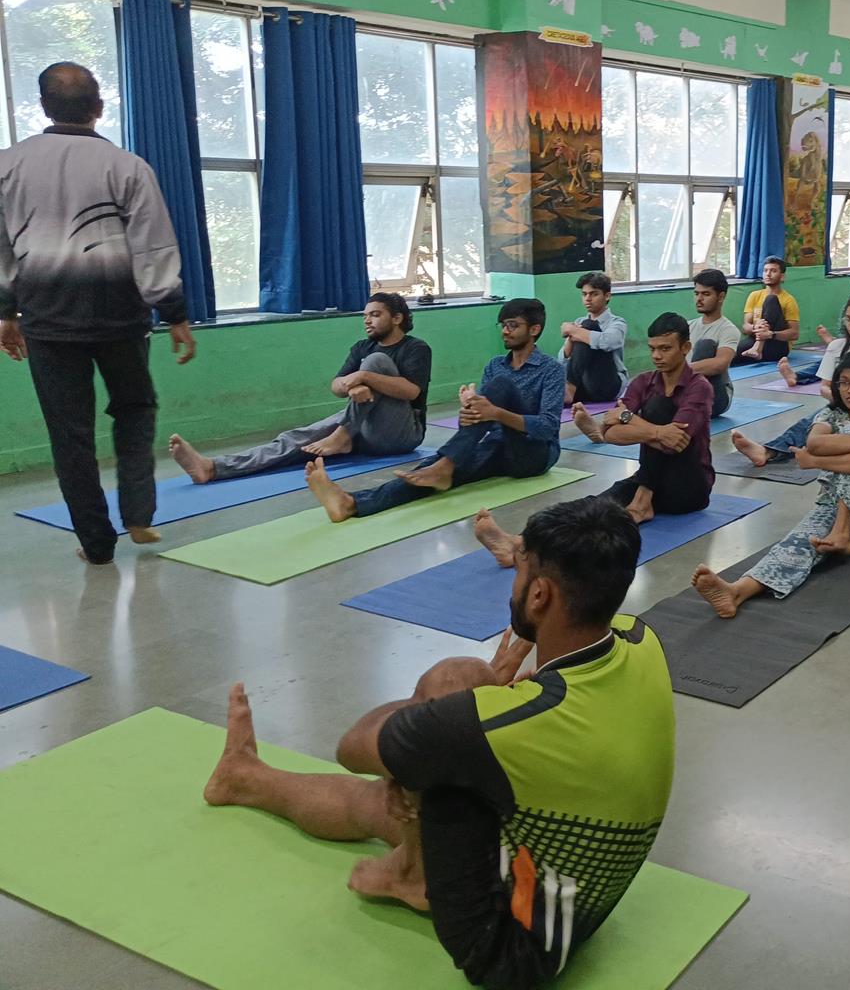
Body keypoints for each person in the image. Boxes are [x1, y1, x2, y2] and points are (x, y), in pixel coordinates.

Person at [202, 495, 676, 982]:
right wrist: (477, 714)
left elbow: (353, 746)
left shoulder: (507, 725)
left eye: (520, 571)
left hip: (509, 948)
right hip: (577, 883)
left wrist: (462, 706)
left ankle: (412, 875)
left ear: (539, 595)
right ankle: (245, 777)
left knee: (455, 679)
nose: (514, 584)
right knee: (400, 791)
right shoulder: (641, 639)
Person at [0, 62, 197, 565]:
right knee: (135, 410)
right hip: (120, 320)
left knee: (70, 436)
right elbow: (153, 246)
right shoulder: (128, 166)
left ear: (43, 107)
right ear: (99, 107)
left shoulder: (8, 165)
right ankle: (138, 514)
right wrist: (174, 312)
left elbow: (1, 249)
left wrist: (6, 312)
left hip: (47, 323)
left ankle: (96, 543)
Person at [304, 300, 561, 522]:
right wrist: (469, 412)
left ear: (534, 329)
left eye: (513, 325)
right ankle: (351, 503)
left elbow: (548, 428)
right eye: (503, 325)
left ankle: (445, 464)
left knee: (501, 386)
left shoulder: (551, 370)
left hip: (534, 454)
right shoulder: (495, 365)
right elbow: (480, 422)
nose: (505, 331)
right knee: (427, 472)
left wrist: (496, 414)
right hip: (496, 447)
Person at [693, 351, 850, 618]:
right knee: (797, 542)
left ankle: (842, 532)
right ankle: (737, 591)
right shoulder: (830, 415)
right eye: (844, 382)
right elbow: (816, 442)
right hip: (832, 508)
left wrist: (817, 462)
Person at [169, 293, 429, 484]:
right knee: (295, 438)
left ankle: (342, 435)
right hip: (362, 426)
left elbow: (411, 392)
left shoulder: (415, 348)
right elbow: (337, 386)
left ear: (397, 318)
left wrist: (363, 377)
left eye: (375, 315)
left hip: (401, 434)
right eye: (365, 316)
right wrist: (352, 388)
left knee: (376, 362)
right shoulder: (362, 347)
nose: (367, 321)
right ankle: (212, 468)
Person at [734, 296, 850, 467]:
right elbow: (824, 387)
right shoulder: (837, 346)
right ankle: (768, 451)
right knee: (812, 423)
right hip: (840, 406)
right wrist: (843, 398)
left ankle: (769, 451)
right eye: (848, 319)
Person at [573, 313, 713, 524]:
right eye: (652, 349)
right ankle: (527, 537)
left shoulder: (699, 387)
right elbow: (610, 433)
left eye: (665, 349)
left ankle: (642, 500)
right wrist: (657, 432)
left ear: (685, 348)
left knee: (658, 407)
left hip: (689, 486)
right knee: (592, 508)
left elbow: (674, 442)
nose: (656, 356)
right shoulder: (643, 382)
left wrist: (629, 418)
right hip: (649, 477)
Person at [560, 272, 626, 406]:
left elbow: (608, 342)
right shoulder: (579, 322)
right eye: (584, 294)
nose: (588, 299)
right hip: (584, 384)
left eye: (594, 294)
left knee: (589, 326)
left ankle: (570, 387)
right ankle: (569, 389)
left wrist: (574, 330)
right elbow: (562, 359)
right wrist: (571, 339)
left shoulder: (617, 323)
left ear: (607, 296)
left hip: (607, 386)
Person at [688, 268, 739, 417]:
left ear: (721, 297)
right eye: (696, 293)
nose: (699, 299)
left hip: (717, 397)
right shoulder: (688, 326)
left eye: (706, 294)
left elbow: (720, 364)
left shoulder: (728, 329)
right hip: (687, 389)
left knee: (705, 345)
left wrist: (678, 372)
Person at [734, 256, 800, 364]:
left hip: (776, 345)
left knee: (771, 299)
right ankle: (757, 349)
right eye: (765, 271)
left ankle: (758, 347)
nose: (768, 274)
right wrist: (756, 327)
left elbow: (794, 334)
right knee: (727, 354)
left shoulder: (788, 300)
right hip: (753, 340)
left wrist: (770, 334)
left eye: (773, 271)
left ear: (782, 276)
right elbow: (745, 327)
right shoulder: (754, 295)